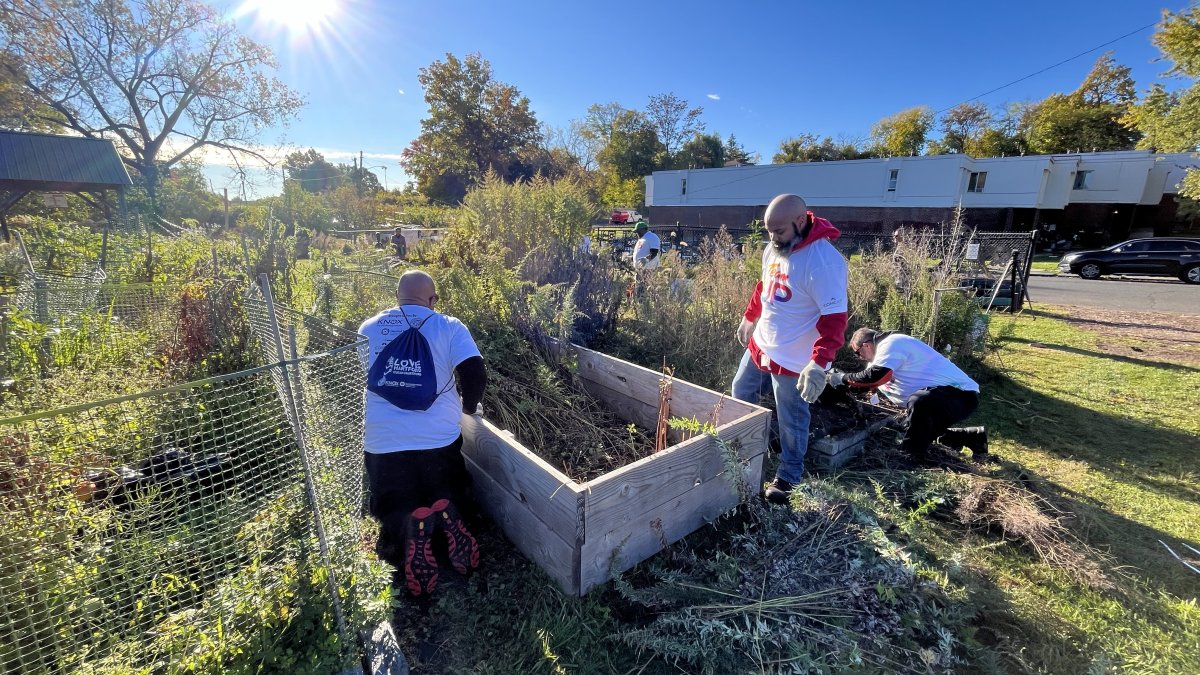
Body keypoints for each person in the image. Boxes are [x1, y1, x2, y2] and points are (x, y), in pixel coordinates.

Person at [358, 270, 488, 598]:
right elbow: (474, 373)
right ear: (432, 300)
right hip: (438, 441)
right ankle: (448, 516)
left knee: (394, 501)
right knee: (446, 487)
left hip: (382, 441)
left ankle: (409, 533)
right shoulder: (449, 325)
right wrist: (469, 408)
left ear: (398, 298)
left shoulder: (369, 328)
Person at [732, 194, 848, 504]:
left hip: (794, 360)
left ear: (800, 222)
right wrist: (749, 318)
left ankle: (789, 474)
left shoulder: (823, 262)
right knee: (741, 392)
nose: (772, 238)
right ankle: (761, 443)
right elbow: (764, 287)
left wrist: (819, 363)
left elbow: (834, 321)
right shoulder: (775, 248)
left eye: (779, 231)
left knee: (793, 419)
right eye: (769, 231)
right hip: (762, 344)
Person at [832, 327, 987, 460]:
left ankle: (910, 456)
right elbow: (865, 384)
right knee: (909, 427)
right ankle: (972, 436)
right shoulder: (879, 359)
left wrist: (842, 378)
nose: (859, 358)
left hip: (960, 395)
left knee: (919, 402)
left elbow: (875, 376)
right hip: (941, 398)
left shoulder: (892, 343)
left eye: (858, 353)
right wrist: (837, 386)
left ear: (866, 345)